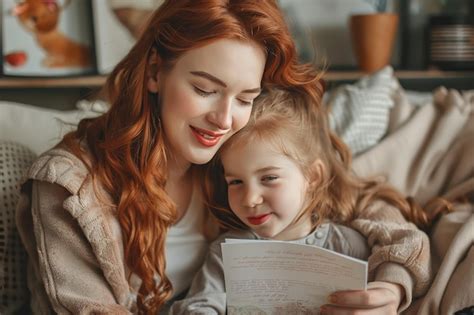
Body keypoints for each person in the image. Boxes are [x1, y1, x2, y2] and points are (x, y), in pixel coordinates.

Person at [15, 1, 430, 314]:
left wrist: (391, 287)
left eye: (245, 98)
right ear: (156, 72)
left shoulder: (233, 157)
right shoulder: (68, 187)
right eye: (205, 89)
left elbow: (368, 207)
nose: (225, 119)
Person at [170, 88, 432, 314]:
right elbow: (199, 304)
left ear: (312, 176)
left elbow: (404, 243)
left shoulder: (349, 244)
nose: (250, 199)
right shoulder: (226, 252)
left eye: (269, 178)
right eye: (235, 182)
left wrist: (389, 287)